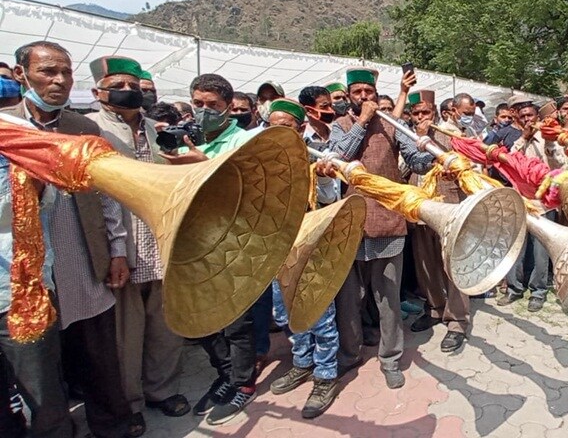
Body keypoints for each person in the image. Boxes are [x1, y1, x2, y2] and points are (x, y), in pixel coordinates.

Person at [4, 41, 133, 438]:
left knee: (100, 361)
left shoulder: (84, 129)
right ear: (21, 73)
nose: (59, 81)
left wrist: (116, 251)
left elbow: (108, 195)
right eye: (47, 72)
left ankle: (112, 427)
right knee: (40, 377)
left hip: (83, 263)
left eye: (66, 72)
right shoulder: (7, 131)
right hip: (24, 277)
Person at [86, 56, 190, 433]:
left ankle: (162, 390)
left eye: (134, 85)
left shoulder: (155, 130)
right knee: (124, 335)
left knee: (165, 326)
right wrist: (114, 251)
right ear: (99, 91)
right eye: (118, 85)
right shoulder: (89, 130)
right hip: (120, 249)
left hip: (162, 244)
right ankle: (129, 401)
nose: (128, 92)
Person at [321, 67, 433, 390]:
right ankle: (350, 353)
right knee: (350, 300)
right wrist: (361, 122)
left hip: (388, 225)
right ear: (349, 95)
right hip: (351, 226)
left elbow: (414, 159)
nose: (363, 98)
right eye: (357, 93)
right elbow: (340, 157)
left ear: (375, 92)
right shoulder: (340, 127)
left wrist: (431, 156)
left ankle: (390, 358)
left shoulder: (392, 125)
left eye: (368, 92)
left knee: (388, 300)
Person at [161, 73, 259, 425]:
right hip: (191, 242)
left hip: (230, 243)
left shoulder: (244, 141)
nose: (203, 111)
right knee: (202, 322)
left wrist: (204, 166)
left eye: (213, 106)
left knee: (235, 322)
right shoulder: (184, 138)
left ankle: (243, 384)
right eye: (198, 104)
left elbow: (245, 193)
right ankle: (225, 375)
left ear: (227, 109)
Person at [261, 98, 341, 418]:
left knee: (319, 313)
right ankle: (302, 364)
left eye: (286, 127)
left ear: (301, 128)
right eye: (272, 126)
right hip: (277, 249)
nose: (278, 132)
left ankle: (325, 375)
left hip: (311, 246)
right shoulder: (261, 158)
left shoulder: (317, 156)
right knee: (285, 314)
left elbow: (330, 199)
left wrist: (321, 177)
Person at [0, 118, 71, 438]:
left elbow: (46, 199)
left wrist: (33, 181)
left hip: (18, 293)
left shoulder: (16, 132)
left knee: (41, 395)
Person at [405, 90, 470, 352]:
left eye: (426, 113)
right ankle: (434, 308)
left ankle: (457, 321)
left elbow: (468, 167)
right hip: (419, 210)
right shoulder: (406, 136)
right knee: (425, 265)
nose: (422, 117)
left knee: (452, 265)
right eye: (417, 113)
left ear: (435, 113)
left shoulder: (450, 135)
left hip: (449, 207)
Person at [497, 102, 568, 312]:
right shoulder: (519, 139)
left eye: (531, 116)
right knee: (516, 247)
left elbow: (559, 167)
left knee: (541, 250)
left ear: (537, 117)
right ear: (519, 119)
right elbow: (508, 159)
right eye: (523, 116)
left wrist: (548, 143)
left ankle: (538, 291)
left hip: (543, 204)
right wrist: (525, 138)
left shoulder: (550, 137)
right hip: (520, 201)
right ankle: (514, 288)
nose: (528, 119)